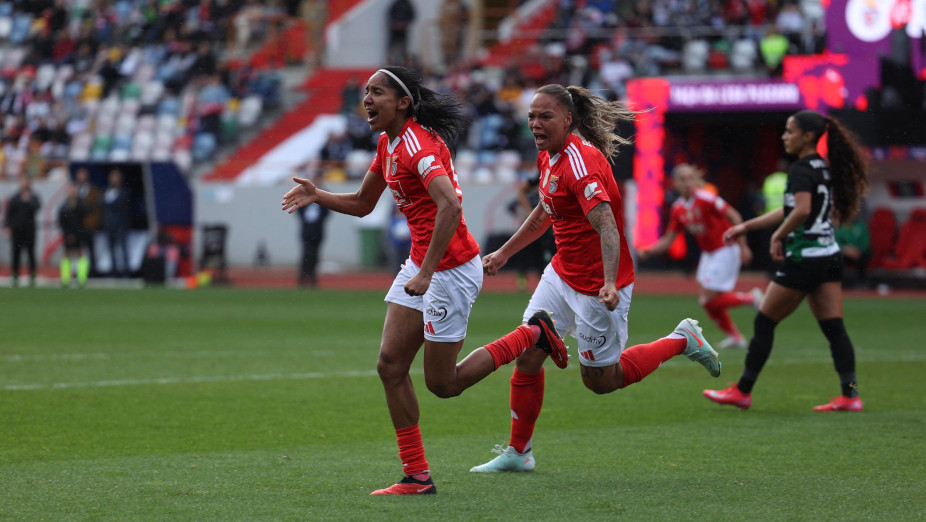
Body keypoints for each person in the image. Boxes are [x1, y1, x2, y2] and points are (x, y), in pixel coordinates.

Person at [281, 66, 571, 495]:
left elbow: (450, 205)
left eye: (376, 92)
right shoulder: (387, 143)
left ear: (401, 102)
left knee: (443, 384)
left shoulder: (417, 145)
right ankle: (416, 475)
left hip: (450, 270)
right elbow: (363, 204)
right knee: (390, 366)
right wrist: (318, 194)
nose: (366, 99)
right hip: (424, 265)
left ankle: (532, 335)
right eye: (365, 92)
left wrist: (427, 272)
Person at [469, 84, 722, 473]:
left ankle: (681, 339)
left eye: (545, 116)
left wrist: (607, 282)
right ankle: (519, 452)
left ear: (568, 120)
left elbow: (606, 223)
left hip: (598, 285)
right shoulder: (548, 157)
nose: (536, 124)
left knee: (601, 381)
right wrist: (505, 252)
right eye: (532, 117)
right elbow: (546, 210)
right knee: (530, 353)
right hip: (561, 272)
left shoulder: (579, 164)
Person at [705, 110, 869, 412]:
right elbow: (792, 209)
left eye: (790, 131)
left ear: (807, 136)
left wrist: (777, 235)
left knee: (764, 321)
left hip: (805, 259)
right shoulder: (822, 167)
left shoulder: (800, 169)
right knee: (835, 329)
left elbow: (802, 210)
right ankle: (851, 393)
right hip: (828, 256)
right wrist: (747, 226)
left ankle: (742, 391)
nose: (784, 137)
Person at [638, 164, 762, 349]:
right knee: (709, 302)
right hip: (709, 254)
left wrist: (743, 245)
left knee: (708, 299)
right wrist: (650, 250)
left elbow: (734, 216)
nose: (688, 183)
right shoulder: (678, 208)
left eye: (690, 178)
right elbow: (669, 238)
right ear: (674, 183)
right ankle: (736, 336)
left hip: (725, 249)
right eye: (683, 179)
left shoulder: (706, 198)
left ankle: (752, 299)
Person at [4, 176, 41, 287]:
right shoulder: (15, 197)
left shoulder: (33, 197)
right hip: (17, 230)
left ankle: (32, 275)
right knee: (16, 253)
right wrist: (7, 227)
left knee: (31, 253)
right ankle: (15, 274)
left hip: (29, 230)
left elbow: (37, 208)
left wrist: (28, 200)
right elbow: (8, 213)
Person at [296, 180, 329, 287]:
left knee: (314, 255)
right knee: (306, 254)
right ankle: (303, 277)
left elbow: (327, 211)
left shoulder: (323, 195)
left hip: (317, 230)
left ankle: (312, 277)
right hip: (307, 231)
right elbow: (299, 209)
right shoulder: (304, 196)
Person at [57, 182, 90, 287]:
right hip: (68, 234)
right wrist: (67, 233)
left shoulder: (80, 203)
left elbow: (86, 212)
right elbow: (61, 220)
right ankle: (66, 278)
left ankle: (81, 278)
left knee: (81, 253)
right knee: (67, 254)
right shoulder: (65, 205)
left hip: (79, 232)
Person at [102, 168, 132, 277]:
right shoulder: (106, 191)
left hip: (121, 225)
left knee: (123, 249)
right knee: (111, 250)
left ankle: (126, 273)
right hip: (109, 224)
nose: (113, 179)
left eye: (116, 177)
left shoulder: (125, 191)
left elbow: (120, 204)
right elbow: (100, 203)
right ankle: (113, 272)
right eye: (112, 177)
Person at [74, 167, 101, 275]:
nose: (81, 178)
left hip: (88, 225)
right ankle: (81, 272)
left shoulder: (93, 190)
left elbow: (95, 208)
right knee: (79, 250)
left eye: (83, 175)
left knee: (91, 249)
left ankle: (93, 271)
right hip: (77, 225)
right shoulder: (75, 190)